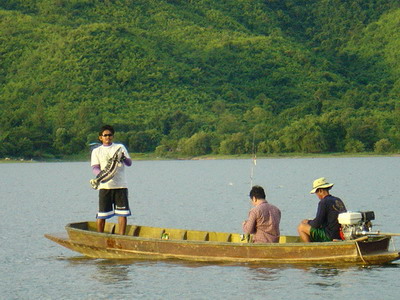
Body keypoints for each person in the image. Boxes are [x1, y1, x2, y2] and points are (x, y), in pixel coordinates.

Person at [91, 125, 132, 235]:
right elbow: (95, 167)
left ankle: (121, 237)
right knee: (102, 214)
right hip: (105, 187)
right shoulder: (96, 151)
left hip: (120, 186)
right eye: (105, 135)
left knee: (122, 214)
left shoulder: (120, 148)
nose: (108, 137)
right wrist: (100, 176)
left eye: (110, 135)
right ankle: (100, 236)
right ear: (100, 137)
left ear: (112, 136)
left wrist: (123, 158)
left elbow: (129, 163)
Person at [297, 177, 346, 242]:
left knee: (301, 227)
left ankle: (309, 249)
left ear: (320, 191)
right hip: (340, 235)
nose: (317, 195)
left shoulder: (323, 202)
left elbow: (317, 224)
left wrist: (308, 222)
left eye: (316, 193)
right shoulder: (338, 200)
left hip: (330, 236)